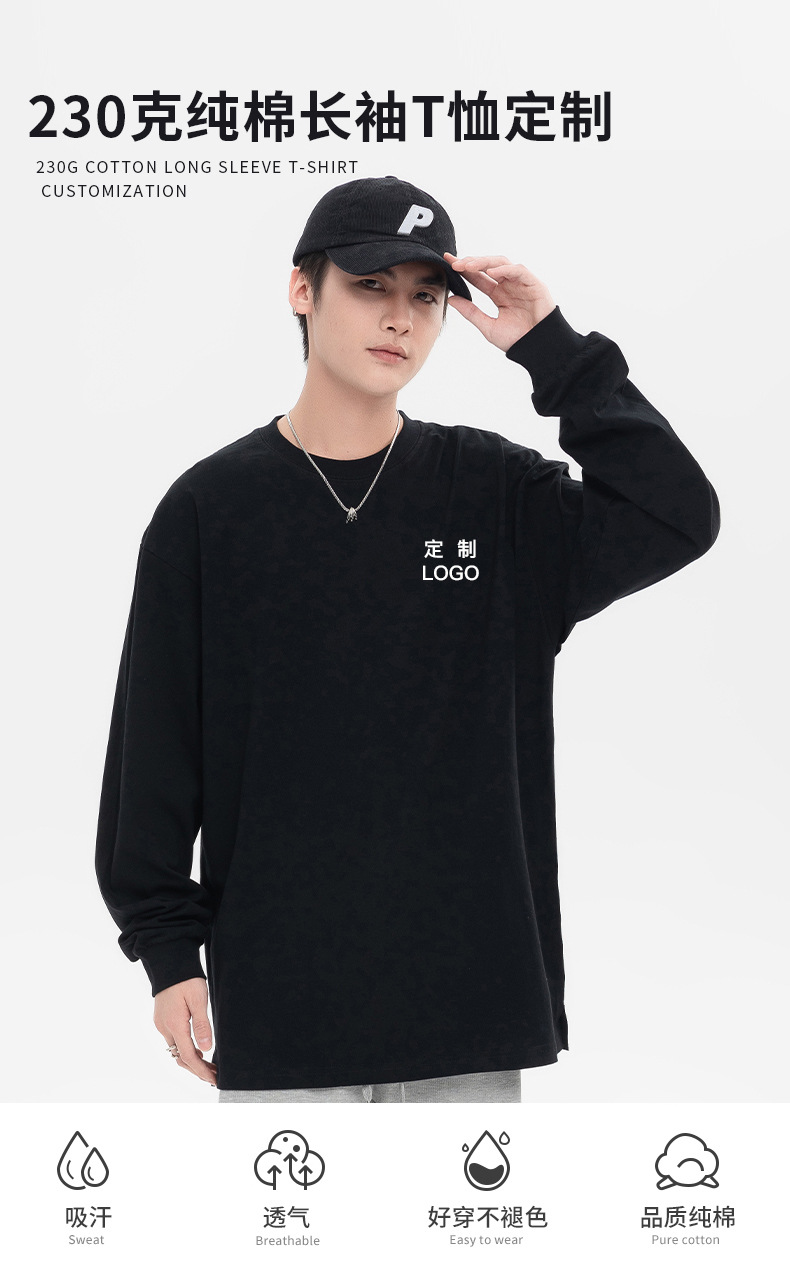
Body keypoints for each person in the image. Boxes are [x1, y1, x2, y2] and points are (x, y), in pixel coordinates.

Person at [95, 175, 720, 1104]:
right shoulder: (210, 512)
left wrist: (553, 349)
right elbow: (154, 753)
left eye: (426, 297)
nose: (400, 318)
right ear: (303, 289)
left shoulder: (496, 496)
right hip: (283, 1008)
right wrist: (166, 950)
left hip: (469, 1015)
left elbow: (678, 515)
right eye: (370, 286)